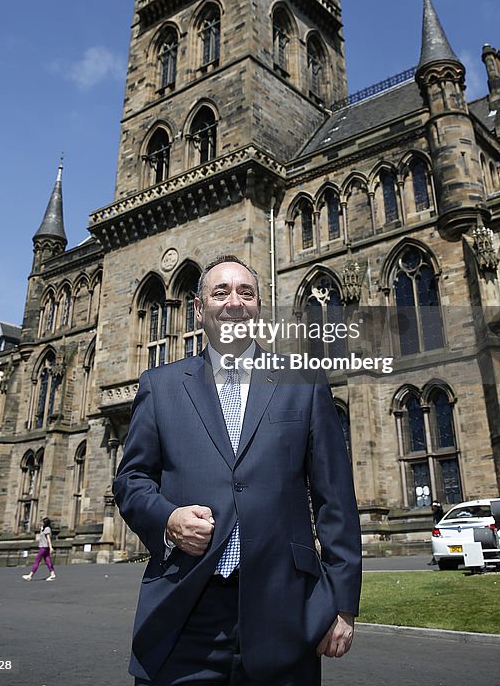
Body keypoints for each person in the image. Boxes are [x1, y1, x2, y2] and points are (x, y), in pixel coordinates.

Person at [114, 255, 362, 685]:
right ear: (199, 308)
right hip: (186, 613)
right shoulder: (160, 386)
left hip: (284, 610)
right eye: (221, 292)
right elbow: (131, 481)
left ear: (258, 307)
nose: (234, 302)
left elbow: (334, 498)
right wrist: (168, 519)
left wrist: (342, 604)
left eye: (246, 292)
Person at [22, 517, 56, 581]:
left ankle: (30, 575)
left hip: (44, 547)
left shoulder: (47, 529)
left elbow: (48, 539)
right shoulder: (43, 529)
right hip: (44, 547)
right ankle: (52, 574)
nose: (41, 523)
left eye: (43, 522)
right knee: (47, 560)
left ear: (45, 523)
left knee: (37, 560)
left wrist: (51, 547)